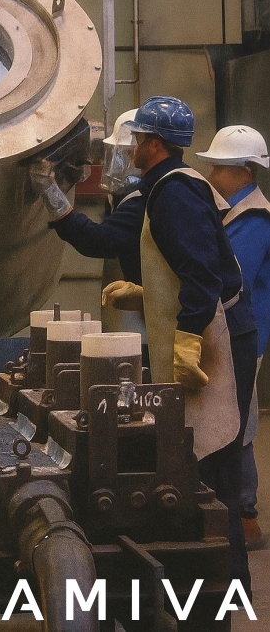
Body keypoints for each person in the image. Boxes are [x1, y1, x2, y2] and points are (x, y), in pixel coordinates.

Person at [103, 97, 257, 596]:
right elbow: (191, 266)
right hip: (211, 327)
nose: (130, 148)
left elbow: (204, 273)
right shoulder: (169, 186)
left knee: (213, 460)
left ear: (153, 143)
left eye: (136, 139)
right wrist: (148, 293)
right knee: (201, 456)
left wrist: (188, 338)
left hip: (217, 336)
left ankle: (226, 579)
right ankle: (216, 576)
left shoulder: (174, 192)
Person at [196, 124, 270, 549]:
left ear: (246, 170)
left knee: (238, 424)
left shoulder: (254, 218)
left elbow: (229, 275)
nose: (212, 176)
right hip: (231, 333)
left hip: (243, 337)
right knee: (233, 419)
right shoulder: (233, 212)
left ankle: (245, 516)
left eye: (220, 168)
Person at [29, 109, 144, 285]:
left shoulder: (145, 198)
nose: (116, 161)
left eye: (125, 153)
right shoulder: (152, 189)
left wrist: (49, 189)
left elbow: (97, 241)